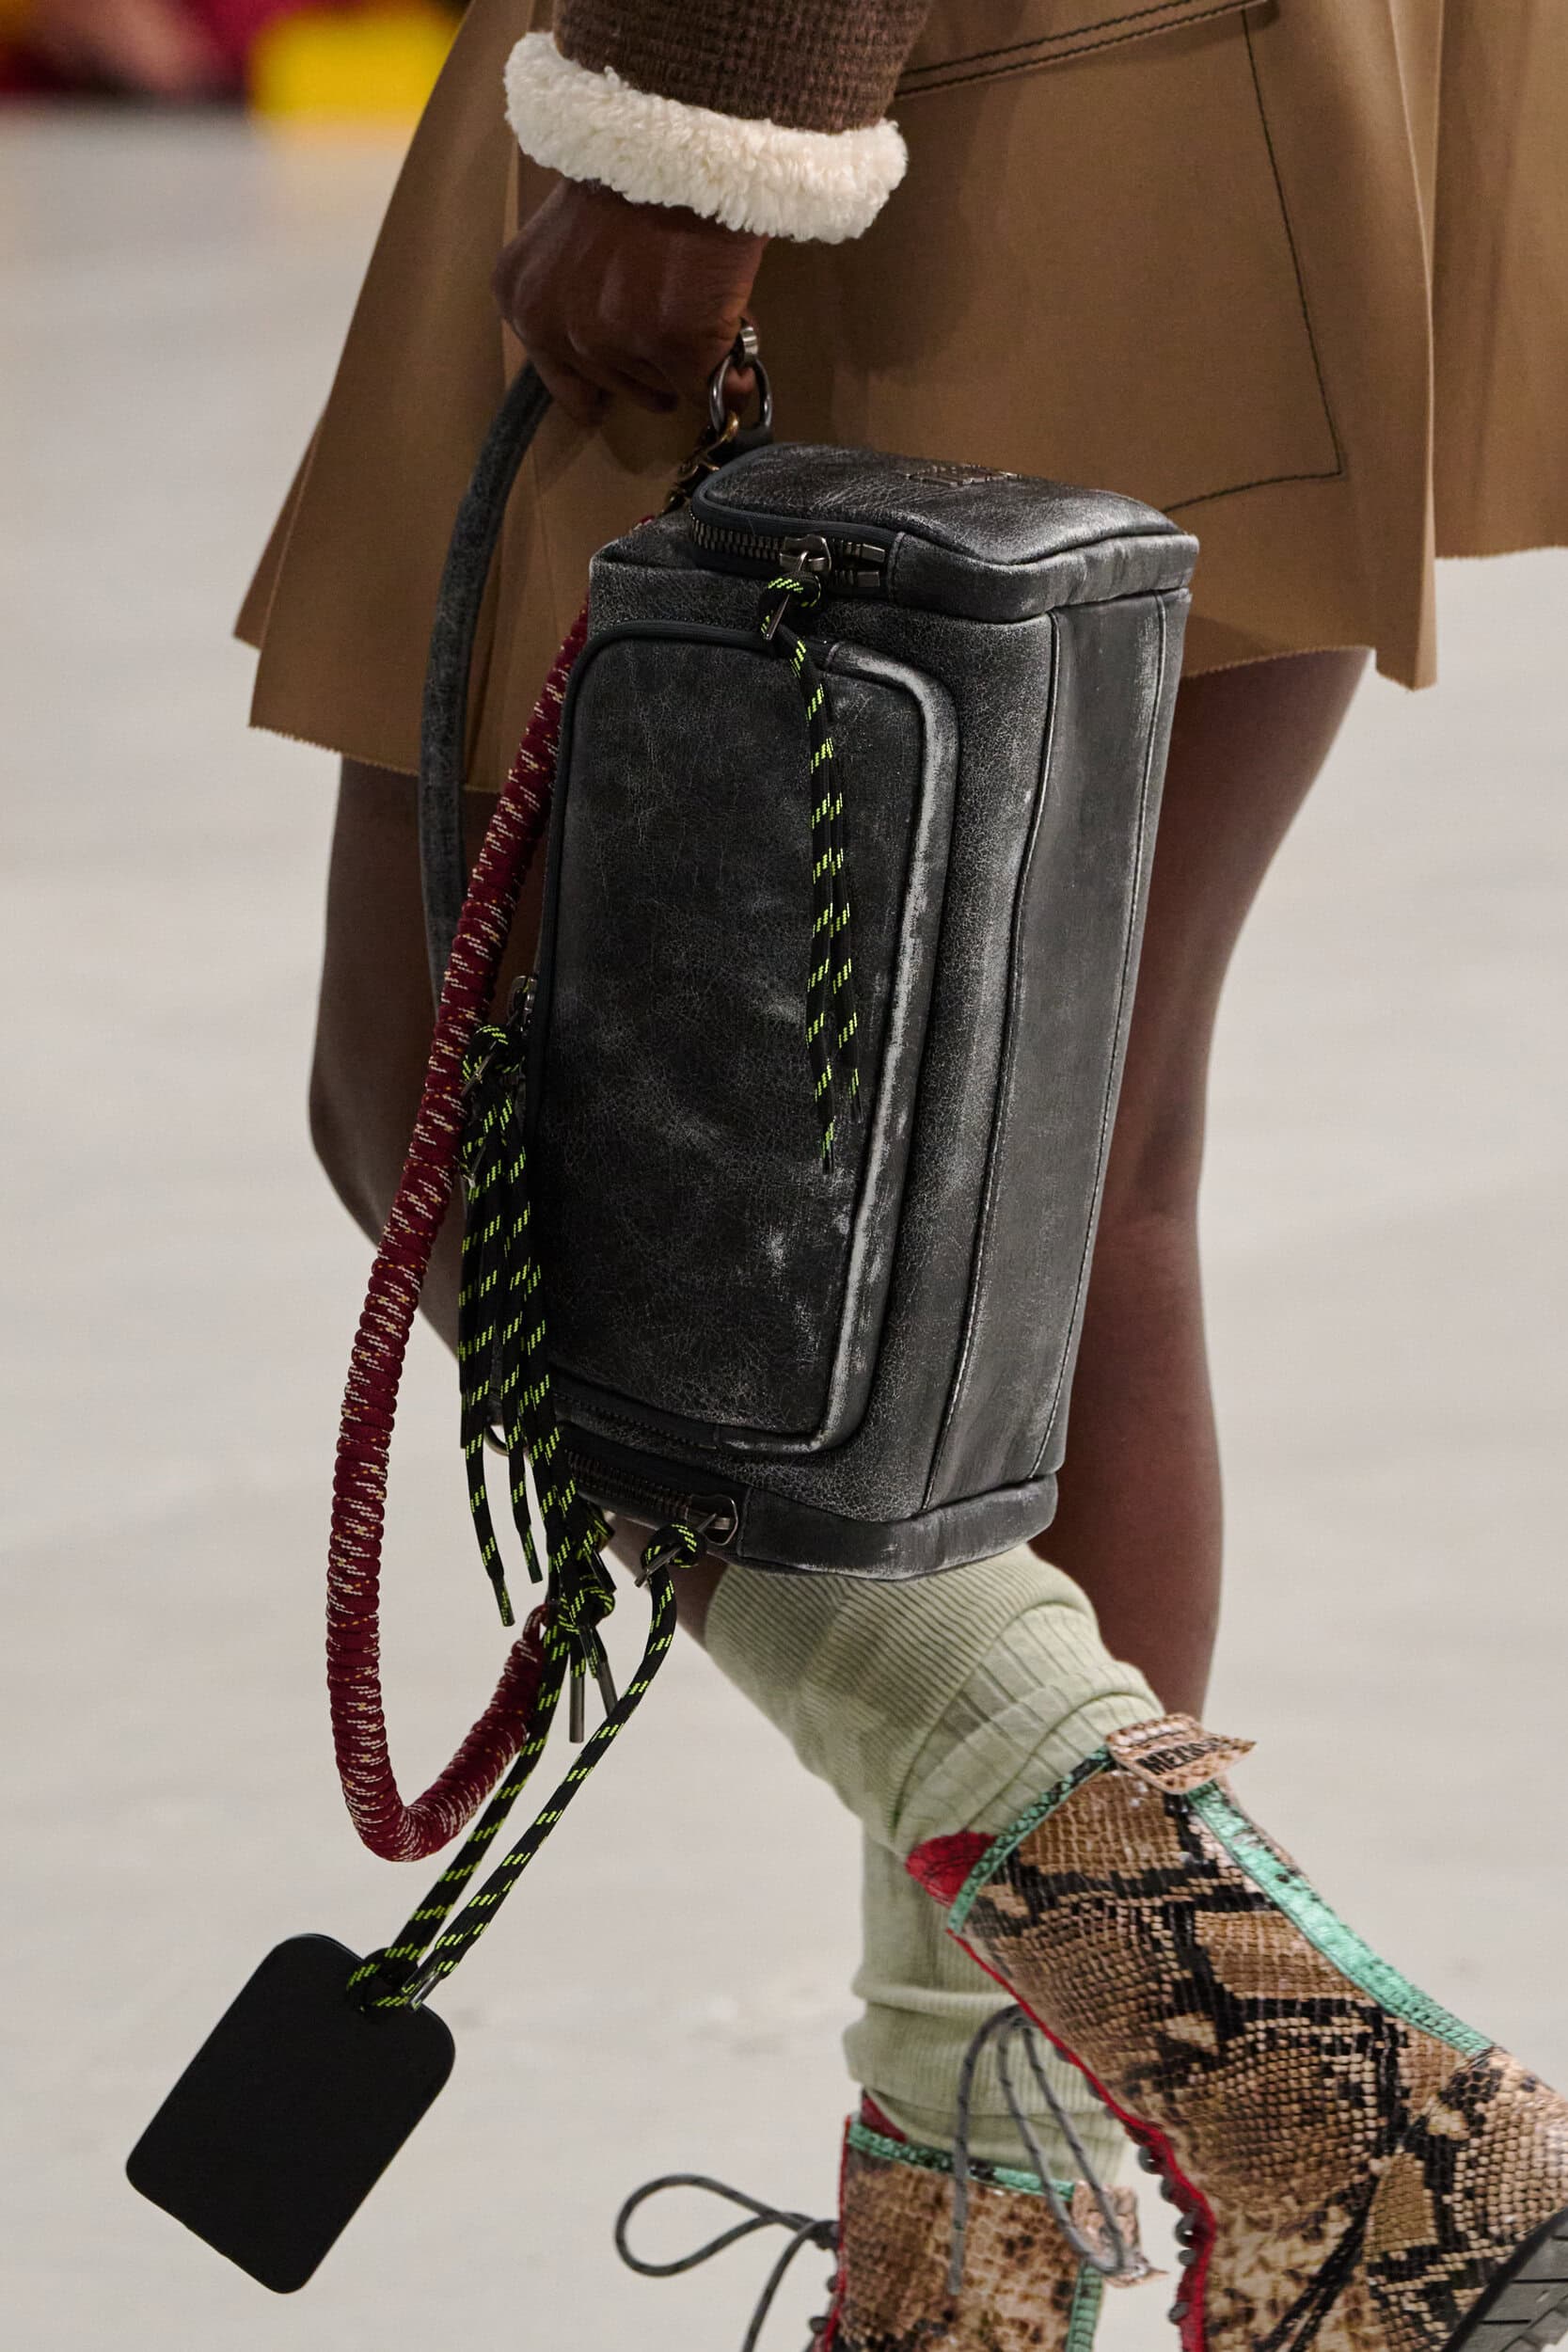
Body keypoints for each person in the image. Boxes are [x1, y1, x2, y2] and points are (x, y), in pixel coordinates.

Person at [240, 5, 1568, 2346]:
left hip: (905, 84)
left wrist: (711, 105)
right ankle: (980, 2274)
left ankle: (1339, 2107)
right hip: (1285, 73)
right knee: (1059, 1189)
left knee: (494, 1130)